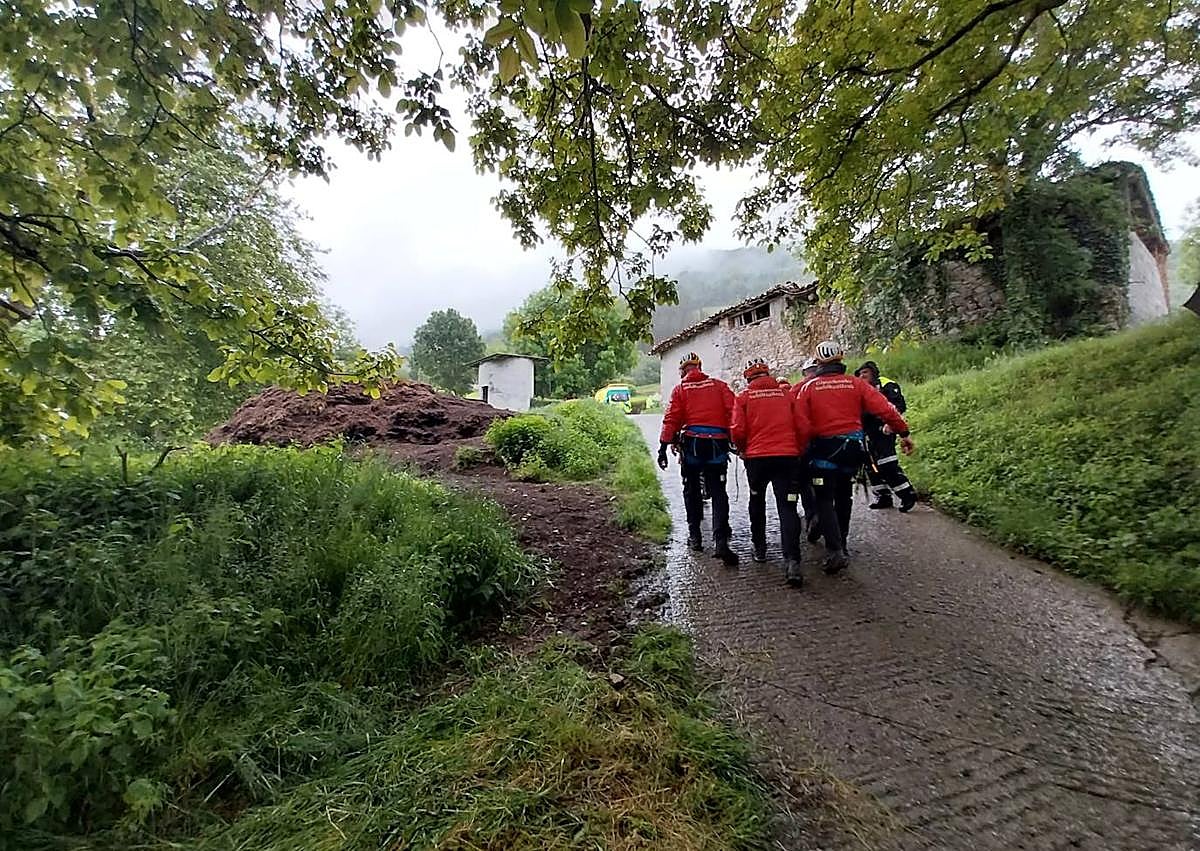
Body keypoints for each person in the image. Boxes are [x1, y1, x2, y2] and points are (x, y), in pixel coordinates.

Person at [793, 341, 914, 574]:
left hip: (823, 451)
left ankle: (834, 549)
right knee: (844, 496)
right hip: (852, 451)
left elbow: (801, 425)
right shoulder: (856, 384)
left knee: (825, 499)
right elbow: (887, 410)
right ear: (841, 360)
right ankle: (843, 545)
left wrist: (801, 453)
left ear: (818, 363)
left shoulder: (808, 389)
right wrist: (904, 433)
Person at [731, 358, 807, 587]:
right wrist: (799, 450)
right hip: (787, 457)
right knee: (788, 507)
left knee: (756, 501)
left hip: (757, 460)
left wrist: (742, 450)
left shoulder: (744, 397)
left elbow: (737, 429)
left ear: (748, 377)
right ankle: (793, 561)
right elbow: (803, 426)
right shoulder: (786, 395)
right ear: (768, 373)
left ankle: (760, 548)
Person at [658, 352, 739, 565]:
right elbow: (734, 413)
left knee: (691, 490)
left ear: (683, 370)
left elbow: (671, 419)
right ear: (699, 367)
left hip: (692, 445)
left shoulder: (680, 390)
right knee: (719, 492)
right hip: (717, 446)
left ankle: (695, 537)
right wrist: (735, 439)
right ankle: (721, 540)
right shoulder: (720, 386)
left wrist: (663, 447)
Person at [853, 361, 918, 512]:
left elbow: (897, 405)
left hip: (884, 429)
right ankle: (883, 496)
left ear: (874, 373)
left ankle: (907, 494)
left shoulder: (886, 385)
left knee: (887, 463)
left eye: (865, 373)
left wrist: (893, 425)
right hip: (866, 432)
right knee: (871, 465)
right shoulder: (859, 388)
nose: (862, 376)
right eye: (860, 373)